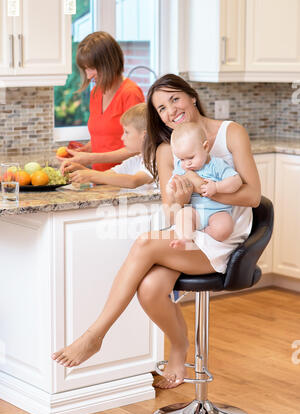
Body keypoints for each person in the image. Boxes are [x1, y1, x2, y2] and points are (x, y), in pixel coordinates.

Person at [52, 74, 261, 390]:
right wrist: (179, 200)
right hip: (189, 233)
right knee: (149, 290)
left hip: (224, 237)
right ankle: (178, 348)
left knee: (146, 242)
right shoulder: (167, 151)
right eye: (161, 108)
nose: (171, 111)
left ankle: (95, 335)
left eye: (174, 99)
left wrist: (204, 189)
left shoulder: (230, 133)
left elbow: (253, 196)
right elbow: (171, 208)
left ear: (191, 96)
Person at [57, 31, 144, 175]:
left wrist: (90, 158)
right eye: (85, 69)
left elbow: (138, 148)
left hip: (125, 180)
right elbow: (106, 139)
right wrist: (85, 151)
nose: (88, 75)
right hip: (101, 179)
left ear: (108, 64)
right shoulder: (96, 93)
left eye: (92, 68)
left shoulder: (130, 93)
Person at [167, 122, 242, 250]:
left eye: (190, 157)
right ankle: (185, 238)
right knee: (183, 214)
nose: (186, 163)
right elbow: (172, 185)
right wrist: (171, 188)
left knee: (224, 228)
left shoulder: (216, 165)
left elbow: (236, 181)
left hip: (217, 212)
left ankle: (203, 236)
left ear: (205, 147)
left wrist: (217, 187)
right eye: (181, 159)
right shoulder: (181, 167)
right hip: (195, 211)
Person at [66, 104, 156, 191]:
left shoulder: (156, 161)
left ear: (144, 136)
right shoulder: (136, 161)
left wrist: (90, 175)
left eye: (127, 132)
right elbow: (105, 176)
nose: (122, 137)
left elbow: (133, 181)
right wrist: (79, 169)